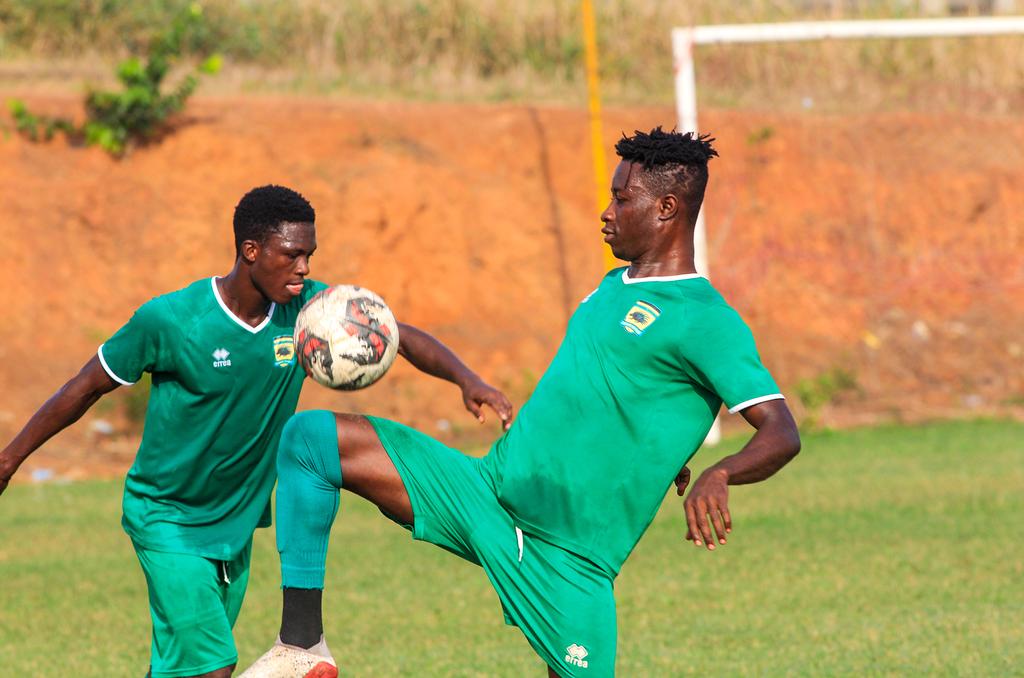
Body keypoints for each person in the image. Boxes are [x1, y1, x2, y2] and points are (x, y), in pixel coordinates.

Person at [240, 129, 801, 678]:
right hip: (486, 496)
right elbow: (610, 393)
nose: (607, 211)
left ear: (667, 208)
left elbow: (780, 430)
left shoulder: (706, 319)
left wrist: (720, 471)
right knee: (311, 440)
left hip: (568, 565)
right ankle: (302, 646)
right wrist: (653, 447)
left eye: (622, 198)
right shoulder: (611, 285)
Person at [0, 184, 513, 678]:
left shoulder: (310, 311)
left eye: (309, 254)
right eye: (292, 254)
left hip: (237, 526)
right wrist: (9, 459)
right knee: (214, 664)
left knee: (181, 668)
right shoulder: (173, 320)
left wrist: (467, 380)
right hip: (168, 518)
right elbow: (84, 388)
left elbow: (394, 333)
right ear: (251, 250)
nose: (304, 267)